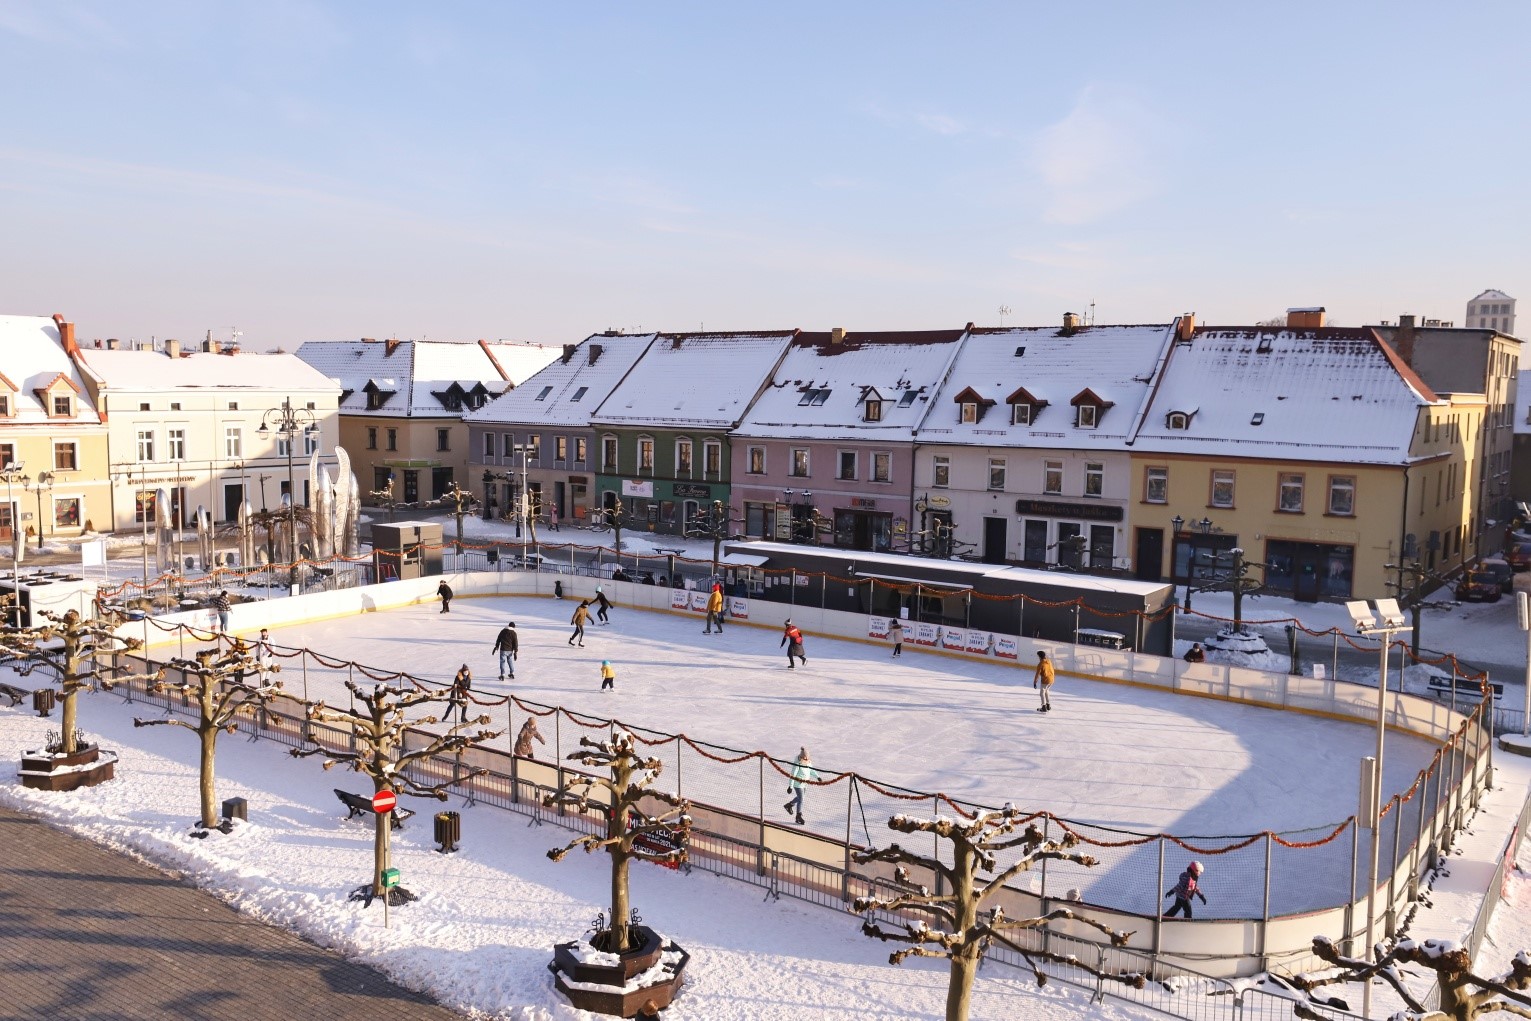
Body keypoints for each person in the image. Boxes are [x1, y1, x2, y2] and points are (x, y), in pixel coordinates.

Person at [783, 747, 818, 825]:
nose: (806, 759)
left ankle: (789, 805)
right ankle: (798, 816)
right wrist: (790, 786)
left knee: (800, 798)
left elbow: (811, 770)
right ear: (802, 757)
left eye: (807, 758)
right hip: (797, 784)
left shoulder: (807, 762)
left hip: (805, 783)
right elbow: (793, 775)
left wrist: (817, 776)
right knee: (801, 799)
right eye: (805, 758)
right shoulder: (797, 764)